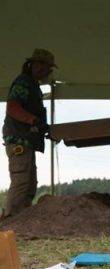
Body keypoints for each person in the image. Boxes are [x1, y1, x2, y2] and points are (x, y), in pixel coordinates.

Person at [1, 48, 57, 220]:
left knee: (29, 186)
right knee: (21, 184)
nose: (44, 69)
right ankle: (10, 224)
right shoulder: (23, 82)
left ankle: (21, 224)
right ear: (31, 64)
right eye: (40, 64)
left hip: (27, 141)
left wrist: (42, 127)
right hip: (19, 140)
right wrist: (33, 120)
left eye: (47, 67)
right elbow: (13, 108)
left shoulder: (33, 86)